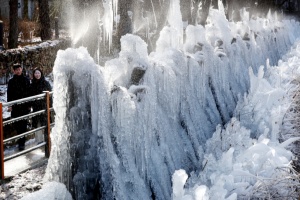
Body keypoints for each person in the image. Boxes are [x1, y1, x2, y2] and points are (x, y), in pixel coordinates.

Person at [7, 64, 31, 151]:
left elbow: (29, 93)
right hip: (16, 106)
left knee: (23, 125)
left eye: (19, 69)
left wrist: (29, 105)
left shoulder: (26, 80)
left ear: (21, 69)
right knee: (17, 124)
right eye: (16, 69)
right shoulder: (11, 81)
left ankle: (22, 143)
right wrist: (9, 105)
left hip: (24, 106)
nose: (18, 71)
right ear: (14, 71)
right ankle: (20, 141)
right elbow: (9, 94)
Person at [29, 67, 52, 144]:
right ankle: (39, 140)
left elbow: (50, 95)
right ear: (33, 74)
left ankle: (47, 139)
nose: (37, 75)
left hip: (44, 106)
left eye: (38, 73)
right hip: (36, 107)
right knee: (38, 124)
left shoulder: (45, 83)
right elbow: (30, 96)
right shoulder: (32, 84)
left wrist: (50, 105)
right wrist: (31, 105)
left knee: (46, 123)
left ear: (41, 74)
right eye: (35, 73)